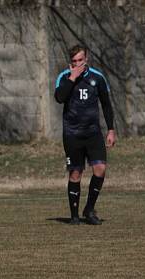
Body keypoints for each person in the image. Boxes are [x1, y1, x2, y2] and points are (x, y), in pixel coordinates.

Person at [54, 44, 116, 225]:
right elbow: (59, 98)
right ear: (70, 62)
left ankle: (89, 209)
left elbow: (106, 104)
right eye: (74, 61)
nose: (77, 64)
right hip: (72, 134)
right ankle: (74, 216)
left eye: (80, 60)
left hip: (93, 133)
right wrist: (72, 78)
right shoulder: (64, 77)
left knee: (100, 169)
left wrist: (111, 130)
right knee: (75, 173)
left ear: (86, 59)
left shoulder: (98, 78)